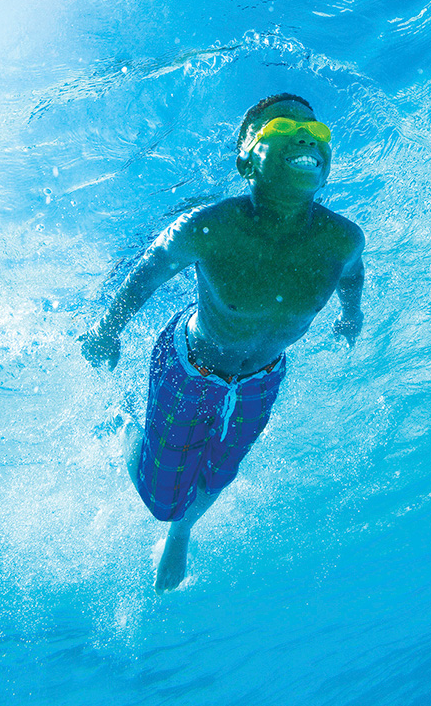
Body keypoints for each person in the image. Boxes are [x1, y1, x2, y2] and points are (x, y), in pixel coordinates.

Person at [79, 93, 365, 591]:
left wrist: (351, 314)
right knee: (161, 500)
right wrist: (107, 331)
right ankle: (125, 423)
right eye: (282, 128)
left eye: (316, 132)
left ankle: (182, 533)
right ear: (245, 161)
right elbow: (146, 274)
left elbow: (352, 275)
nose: (305, 138)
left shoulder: (343, 238)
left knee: (220, 472)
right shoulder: (209, 226)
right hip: (190, 364)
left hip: (263, 378)